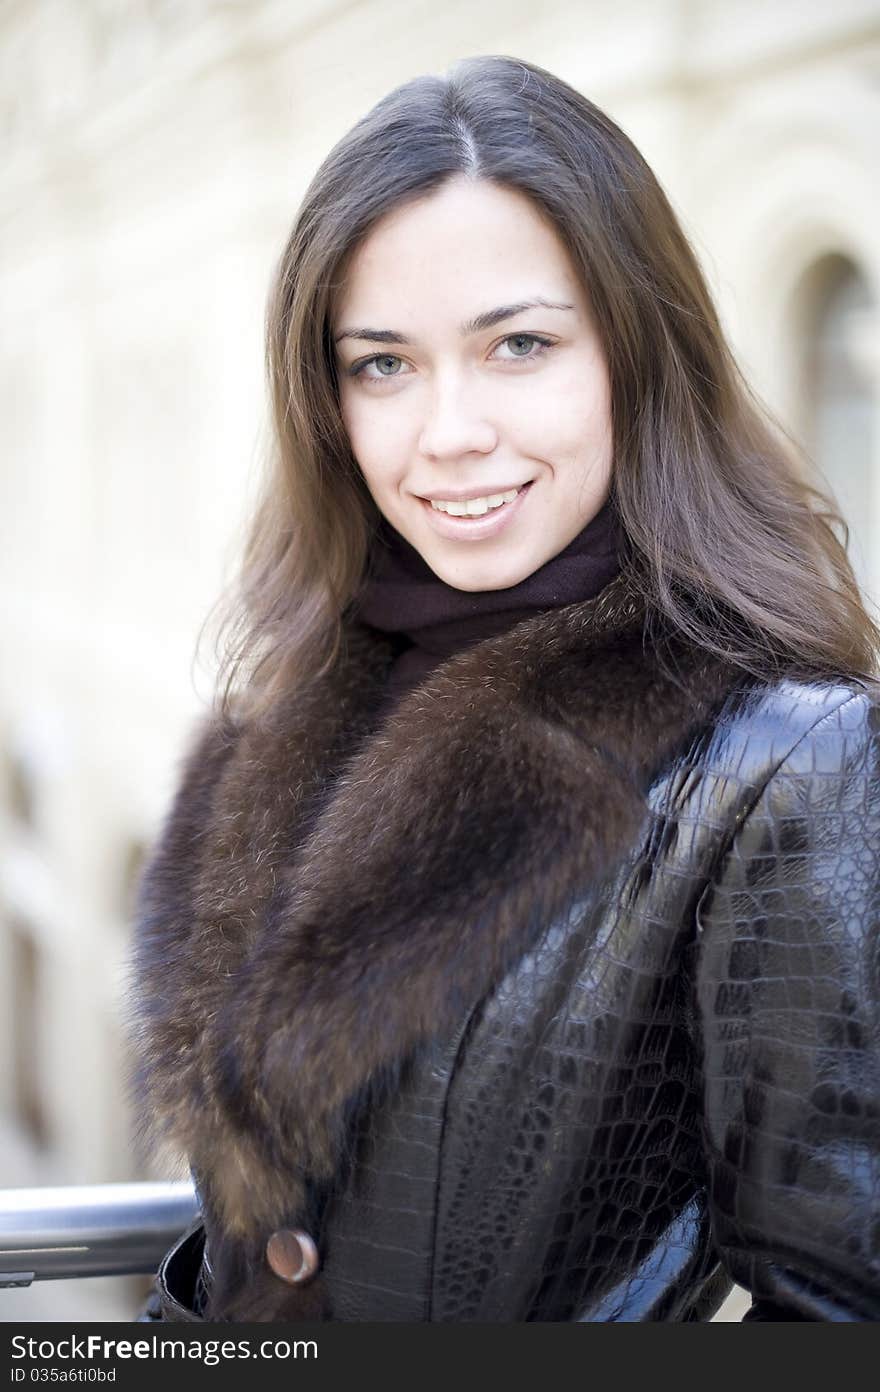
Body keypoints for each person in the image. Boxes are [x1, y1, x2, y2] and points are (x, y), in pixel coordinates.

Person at [124, 54, 880, 1323]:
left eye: (518, 344)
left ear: (637, 354)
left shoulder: (787, 761)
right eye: (383, 365)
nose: (449, 430)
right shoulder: (283, 719)